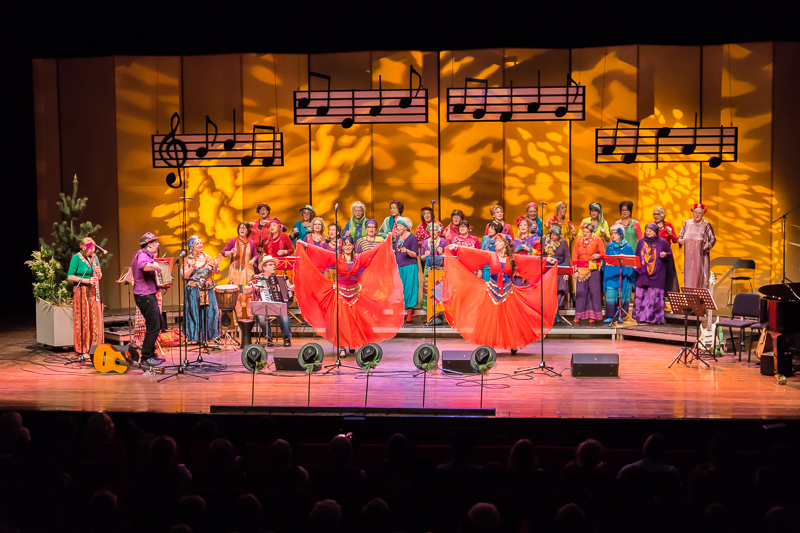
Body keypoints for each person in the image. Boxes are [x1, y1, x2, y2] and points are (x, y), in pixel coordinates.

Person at [443, 233, 558, 352]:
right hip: (492, 292)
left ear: (505, 244)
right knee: (490, 320)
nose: (496, 243)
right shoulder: (491, 255)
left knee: (511, 321)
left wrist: (546, 260)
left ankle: (513, 343)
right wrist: (457, 247)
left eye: (499, 241)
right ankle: (489, 344)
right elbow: (474, 253)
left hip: (508, 292)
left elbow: (529, 260)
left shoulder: (513, 258)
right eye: (496, 241)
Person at [294, 237, 404, 351]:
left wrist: (386, 241)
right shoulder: (337, 257)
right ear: (342, 246)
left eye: (349, 244)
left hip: (355, 294)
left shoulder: (358, 258)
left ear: (353, 247)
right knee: (340, 322)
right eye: (345, 245)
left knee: (354, 322)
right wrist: (305, 244)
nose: (347, 247)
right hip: (340, 294)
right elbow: (322, 252)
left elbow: (373, 251)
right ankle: (341, 347)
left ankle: (353, 344)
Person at [131, 232, 166, 366]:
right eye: (155, 242)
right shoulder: (142, 255)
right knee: (154, 325)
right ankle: (145, 358)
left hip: (148, 294)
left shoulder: (144, 254)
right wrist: (156, 266)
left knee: (156, 323)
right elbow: (143, 265)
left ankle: (151, 355)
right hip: (144, 295)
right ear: (149, 244)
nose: (157, 244)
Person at [244, 255, 293, 347]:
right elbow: (245, 290)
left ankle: (286, 339)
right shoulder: (257, 278)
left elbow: (288, 289)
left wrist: (291, 288)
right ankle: (268, 338)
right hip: (263, 305)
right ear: (264, 267)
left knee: (284, 313)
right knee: (261, 316)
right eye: (271, 264)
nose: (274, 266)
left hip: (277, 305)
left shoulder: (280, 278)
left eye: (274, 265)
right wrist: (253, 287)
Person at [67, 237, 103, 357]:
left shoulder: (95, 257)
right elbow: (70, 276)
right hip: (81, 291)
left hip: (94, 291)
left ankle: (95, 347)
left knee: (95, 319)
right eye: (90, 248)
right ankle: (82, 349)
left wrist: (98, 273)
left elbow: (100, 276)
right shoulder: (76, 258)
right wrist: (86, 281)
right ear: (83, 248)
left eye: (94, 248)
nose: (93, 250)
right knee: (84, 320)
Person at [182, 236, 222, 343]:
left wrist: (216, 265)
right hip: (194, 290)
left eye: (201, 242)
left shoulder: (208, 258)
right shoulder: (187, 259)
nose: (200, 245)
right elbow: (185, 276)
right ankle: (196, 337)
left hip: (208, 289)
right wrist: (192, 267)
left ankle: (209, 336)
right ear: (192, 246)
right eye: (197, 243)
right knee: (195, 314)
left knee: (211, 313)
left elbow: (216, 271)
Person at [633, 223, 673, 324]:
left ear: (655, 231)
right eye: (646, 230)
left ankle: (654, 318)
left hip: (657, 273)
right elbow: (637, 256)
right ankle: (641, 317)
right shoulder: (641, 242)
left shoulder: (663, 242)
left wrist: (665, 255)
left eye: (650, 230)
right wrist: (635, 266)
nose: (648, 232)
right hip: (643, 273)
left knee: (654, 294)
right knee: (643, 293)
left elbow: (670, 254)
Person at [678, 203, 717, 289]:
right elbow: (680, 237)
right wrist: (680, 241)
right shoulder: (687, 223)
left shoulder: (706, 224)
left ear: (703, 214)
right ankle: (689, 299)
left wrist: (708, 245)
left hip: (701, 256)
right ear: (693, 213)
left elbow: (713, 239)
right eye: (695, 212)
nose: (697, 215)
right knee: (689, 277)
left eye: (699, 213)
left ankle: (700, 300)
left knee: (701, 278)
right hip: (689, 256)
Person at [603, 225, 636, 324]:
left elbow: (632, 261)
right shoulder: (609, 246)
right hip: (612, 276)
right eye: (611, 233)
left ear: (621, 234)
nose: (612, 235)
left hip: (623, 277)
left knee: (623, 296)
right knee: (610, 296)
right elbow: (606, 261)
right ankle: (610, 316)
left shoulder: (628, 247)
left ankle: (621, 315)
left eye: (614, 233)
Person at [572, 222, 605, 323]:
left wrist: (598, 256)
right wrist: (575, 270)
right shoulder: (578, 240)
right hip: (581, 270)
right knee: (581, 292)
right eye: (584, 232)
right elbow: (574, 256)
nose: (585, 234)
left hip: (593, 269)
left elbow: (603, 253)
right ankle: (579, 315)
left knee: (594, 292)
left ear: (592, 232)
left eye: (587, 232)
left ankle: (593, 316)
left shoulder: (598, 240)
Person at [541, 226, 571, 321]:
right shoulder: (543, 239)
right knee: (548, 291)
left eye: (557, 235)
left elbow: (567, 256)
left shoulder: (563, 241)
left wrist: (566, 271)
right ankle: (548, 313)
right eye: (553, 235)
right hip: (547, 269)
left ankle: (556, 312)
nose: (555, 237)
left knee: (560, 289)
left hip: (560, 269)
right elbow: (541, 254)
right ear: (550, 234)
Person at [394, 216, 419, 322]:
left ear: (405, 227)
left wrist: (407, 251)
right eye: (397, 226)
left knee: (410, 288)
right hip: (400, 267)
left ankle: (410, 312)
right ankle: (403, 311)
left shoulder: (412, 238)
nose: (397, 228)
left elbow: (415, 254)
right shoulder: (397, 238)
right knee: (401, 289)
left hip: (410, 266)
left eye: (399, 226)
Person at [420, 221, 448, 312]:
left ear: (438, 231)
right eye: (431, 230)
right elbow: (422, 257)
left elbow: (449, 256)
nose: (433, 232)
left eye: (435, 230)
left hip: (440, 270)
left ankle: (439, 312)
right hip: (428, 271)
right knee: (428, 290)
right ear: (428, 231)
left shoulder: (443, 241)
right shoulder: (425, 242)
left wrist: (442, 253)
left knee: (439, 290)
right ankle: (429, 312)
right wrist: (425, 255)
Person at [221, 222, 258, 290]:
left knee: (247, 291)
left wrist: (253, 260)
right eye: (241, 228)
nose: (242, 230)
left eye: (244, 228)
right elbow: (223, 252)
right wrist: (230, 252)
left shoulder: (251, 242)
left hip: (247, 270)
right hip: (235, 272)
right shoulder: (233, 241)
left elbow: (255, 255)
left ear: (247, 231)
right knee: (236, 291)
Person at [653, 206, 680, 292]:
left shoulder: (668, 225)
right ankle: (657, 298)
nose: (656, 216)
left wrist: (671, 234)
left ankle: (668, 298)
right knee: (657, 277)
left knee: (669, 276)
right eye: (654, 214)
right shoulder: (652, 226)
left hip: (667, 254)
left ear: (663, 215)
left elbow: (675, 240)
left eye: (658, 214)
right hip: (655, 254)